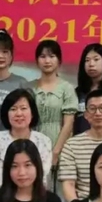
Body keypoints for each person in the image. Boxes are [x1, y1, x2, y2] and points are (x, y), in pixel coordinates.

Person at [28, 41, 78, 183]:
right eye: (43, 56)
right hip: (32, 143)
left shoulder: (67, 88)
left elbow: (68, 124)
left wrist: (56, 151)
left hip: (60, 144)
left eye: (52, 56)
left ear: (59, 60)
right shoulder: (28, 87)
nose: (47, 61)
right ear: (37, 61)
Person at [0, 89, 52, 195]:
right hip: (5, 196)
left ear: (32, 113)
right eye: (13, 109)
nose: (19, 113)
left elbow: (43, 177)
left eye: (23, 108)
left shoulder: (44, 141)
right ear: (6, 114)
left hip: (36, 196)